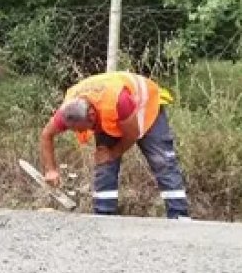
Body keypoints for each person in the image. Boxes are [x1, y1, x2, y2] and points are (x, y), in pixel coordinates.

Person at [38, 71, 190, 219]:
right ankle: (104, 216)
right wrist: (51, 170)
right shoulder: (67, 111)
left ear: (91, 116)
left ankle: (179, 215)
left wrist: (113, 153)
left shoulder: (118, 101)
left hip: (145, 107)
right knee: (104, 162)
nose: (81, 132)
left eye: (81, 128)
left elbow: (133, 134)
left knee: (162, 160)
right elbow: (46, 135)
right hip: (111, 115)